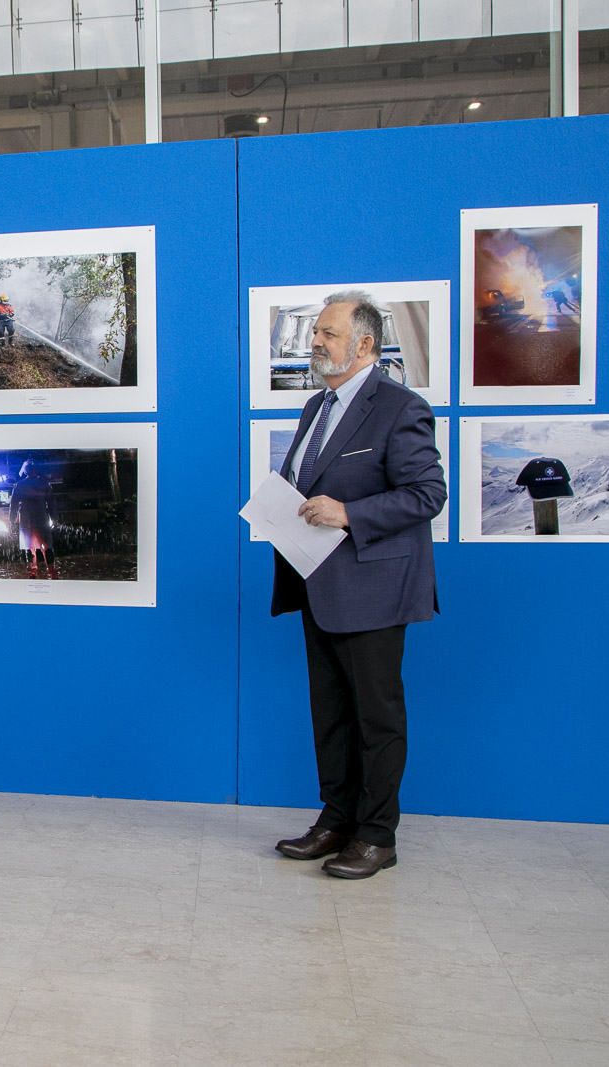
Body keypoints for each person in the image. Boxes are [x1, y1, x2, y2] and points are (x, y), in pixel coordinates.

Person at [270, 290, 446, 880]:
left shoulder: (400, 407)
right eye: (316, 332)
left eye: (328, 333)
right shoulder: (315, 406)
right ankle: (337, 820)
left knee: (376, 717)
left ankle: (376, 836)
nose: (316, 342)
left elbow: (428, 494)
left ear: (365, 343)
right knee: (331, 714)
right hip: (317, 583)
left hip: (374, 589)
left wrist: (348, 513)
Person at [9, 458, 56, 579]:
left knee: (30, 547)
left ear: (25, 471)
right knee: (45, 547)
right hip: (41, 519)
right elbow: (52, 503)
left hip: (28, 519)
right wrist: (54, 518)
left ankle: (33, 572)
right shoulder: (44, 484)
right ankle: (51, 572)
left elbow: (14, 505)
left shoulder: (20, 485)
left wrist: (12, 520)